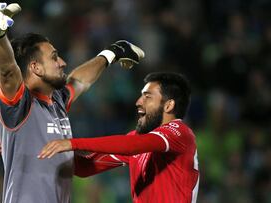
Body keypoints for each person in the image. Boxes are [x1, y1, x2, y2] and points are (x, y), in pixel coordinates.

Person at [0, 2, 144, 203]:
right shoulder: (19, 104)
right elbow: (8, 70)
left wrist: (112, 53)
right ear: (36, 67)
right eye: (54, 57)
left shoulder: (56, 101)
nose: (62, 62)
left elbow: (80, 81)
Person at [38, 72, 200, 203]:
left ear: (169, 105)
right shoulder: (138, 140)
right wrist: (48, 145)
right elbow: (85, 167)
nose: (138, 102)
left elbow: (132, 145)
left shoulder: (180, 133)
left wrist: (72, 143)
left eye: (147, 96)